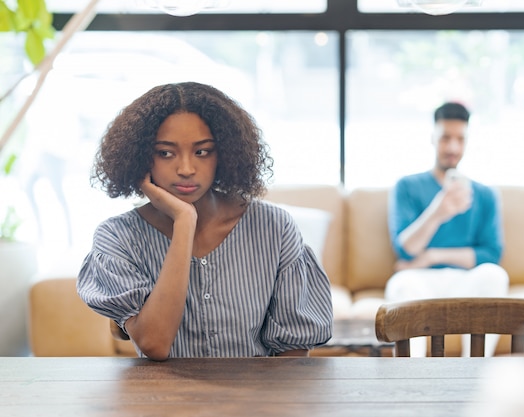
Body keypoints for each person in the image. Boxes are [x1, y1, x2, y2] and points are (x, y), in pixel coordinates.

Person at [77, 82, 333, 361]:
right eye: (165, 152)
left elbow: (292, 355)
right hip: (161, 401)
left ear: (223, 153)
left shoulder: (274, 227)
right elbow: (154, 343)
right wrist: (184, 221)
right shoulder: (117, 237)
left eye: (202, 152)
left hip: (257, 400)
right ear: (141, 158)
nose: (186, 169)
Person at [385, 101, 509, 356]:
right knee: (401, 284)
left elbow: (491, 254)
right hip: (420, 281)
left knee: (495, 275)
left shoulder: (485, 195)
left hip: (466, 282)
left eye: (460, 139)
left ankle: (473, 373)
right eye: (445, 138)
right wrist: (437, 212)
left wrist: (431, 256)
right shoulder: (407, 186)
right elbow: (406, 249)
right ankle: (410, 381)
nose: (453, 147)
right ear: (433, 137)